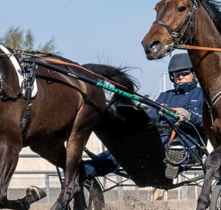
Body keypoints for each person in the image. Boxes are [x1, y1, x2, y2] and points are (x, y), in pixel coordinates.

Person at [82, 53, 205, 181]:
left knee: (176, 147)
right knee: (123, 149)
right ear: (171, 77)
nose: (180, 77)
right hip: (158, 138)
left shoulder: (201, 94)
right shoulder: (165, 95)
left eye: (185, 73)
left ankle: (173, 163)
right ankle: (87, 169)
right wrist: (141, 113)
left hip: (187, 139)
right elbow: (151, 117)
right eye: (176, 74)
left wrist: (189, 116)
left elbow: (206, 121)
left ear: (193, 73)